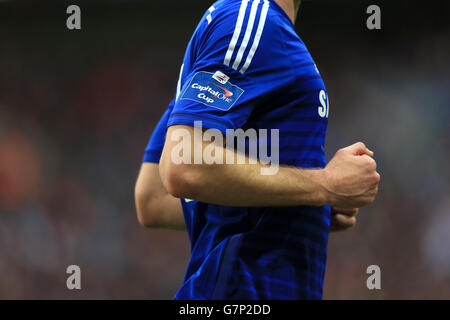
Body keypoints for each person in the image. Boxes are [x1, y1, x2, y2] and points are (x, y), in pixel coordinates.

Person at [135, 0, 380, 299]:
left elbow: (153, 199)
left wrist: (303, 206)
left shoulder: (240, 26)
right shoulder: (252, 21)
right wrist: (324, 186)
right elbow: (184, 166)